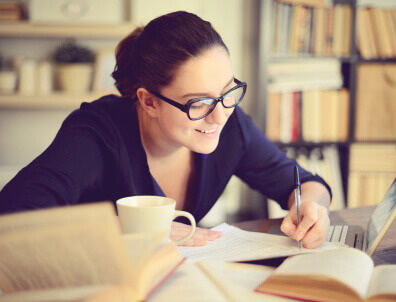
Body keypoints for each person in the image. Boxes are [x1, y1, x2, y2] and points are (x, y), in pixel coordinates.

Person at [0, 11, 331, 248]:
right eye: (198, 103)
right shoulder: (97, 132)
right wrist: (134, 229)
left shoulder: (231, 126)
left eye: (228, 91)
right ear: (149, 102)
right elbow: (11, 217)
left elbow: (307, 183)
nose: (219, 116)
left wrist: (312, 209)